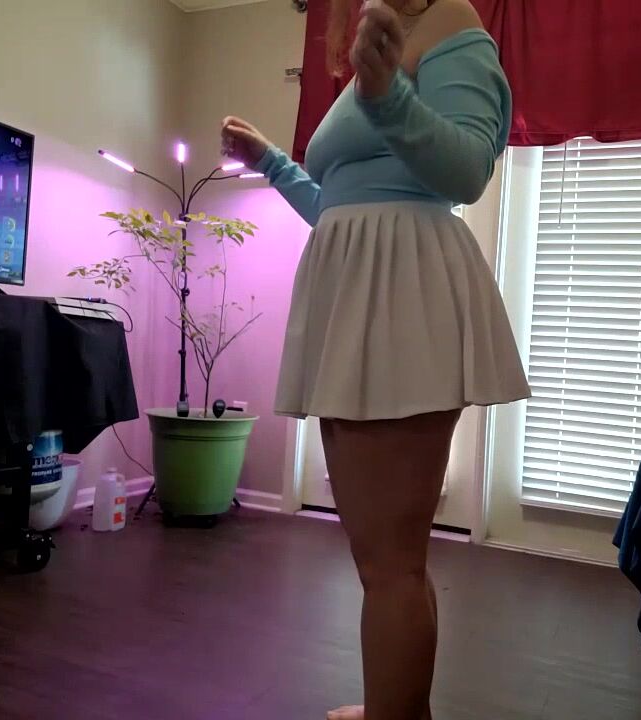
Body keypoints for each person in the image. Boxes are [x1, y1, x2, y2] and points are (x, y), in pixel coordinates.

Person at [222, 1, 530, 718]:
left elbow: (466, 171)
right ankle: (397, 707)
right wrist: (270, 161)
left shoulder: (449, 19)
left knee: (389, 563)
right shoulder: (385, 43)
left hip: (399, 295)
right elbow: (338, 206)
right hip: (362, 294)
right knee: (387, 559)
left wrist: (387, 94)